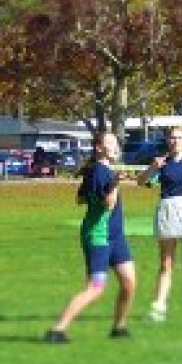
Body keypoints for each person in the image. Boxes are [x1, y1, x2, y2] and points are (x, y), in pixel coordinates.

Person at [45, 131, 136, 343]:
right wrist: (114, 183)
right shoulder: (100, 172)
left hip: (116, 236)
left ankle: (119, 327)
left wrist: (99, 190)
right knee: (95, 288)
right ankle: (57, 330)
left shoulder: (99, 171)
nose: (116, 147)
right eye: (110, 143)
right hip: (98, 236)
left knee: (129, 282)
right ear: (99, 148)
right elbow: (109, 204)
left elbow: (79, 199)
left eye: (116, 143)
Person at [137, 127, 182, 323]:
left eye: (179, 138)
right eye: (172, 138)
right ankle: (159, 306)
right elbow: (141, 182)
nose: (175, 141)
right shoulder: (162, 162)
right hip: (167, 210)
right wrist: (152, 168)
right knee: (166, 263)